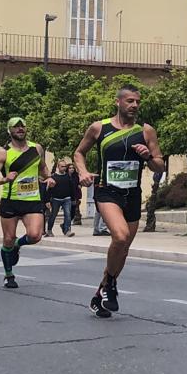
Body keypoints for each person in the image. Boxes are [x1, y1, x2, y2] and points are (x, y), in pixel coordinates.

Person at [73, 85, 166, 318]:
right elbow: (79, 153)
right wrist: (82, 172)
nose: (134, 105)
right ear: (118, 102)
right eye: (130, 101)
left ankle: (103, 290)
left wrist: (148, 157)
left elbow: (159, 165)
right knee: (121, 236)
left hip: (132, 195)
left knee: (123, 250)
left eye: (137, 102)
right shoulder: (99, 128)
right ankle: (110, 287)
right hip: (107, 192)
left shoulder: (146, 131)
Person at [0, 117, 52, 290]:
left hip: (32, 199)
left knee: (35, 235)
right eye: (16, 126)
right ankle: (8, 275)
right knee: (7, 238)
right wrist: (4, 179)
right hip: (10, 200)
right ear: (9, 131)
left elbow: (42, 167)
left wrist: (49, 177)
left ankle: (17, 245)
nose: (20, 128)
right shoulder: (3, 154)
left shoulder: (36, 148)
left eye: (22, 126)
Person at [48, 160, 79, 237]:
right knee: (53, 215)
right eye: (62, 166)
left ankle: (67, 230)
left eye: (65, 166)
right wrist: (47, 200)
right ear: (58, 167)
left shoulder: (68, 176)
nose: (64, 168)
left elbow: (72, 188)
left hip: (67, 199)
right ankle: (49, 230)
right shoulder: (53, 177)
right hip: (56, 199)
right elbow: (49, 190)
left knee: (68, 214)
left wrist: (73, 199)